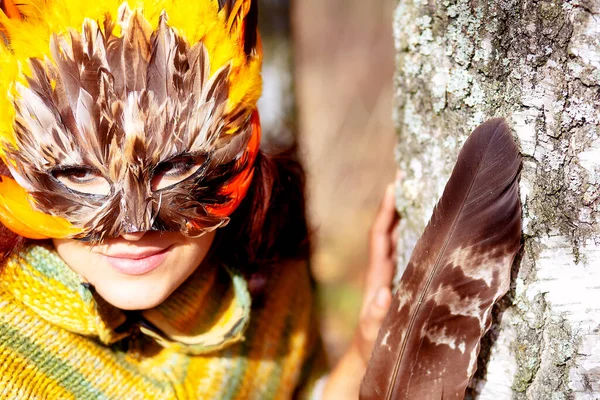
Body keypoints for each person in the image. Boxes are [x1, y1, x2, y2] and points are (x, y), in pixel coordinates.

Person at [0, 0, 397, 398]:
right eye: (79, 173)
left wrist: (363, 353)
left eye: (176, 165)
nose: (136, 227)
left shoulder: (271, 286)